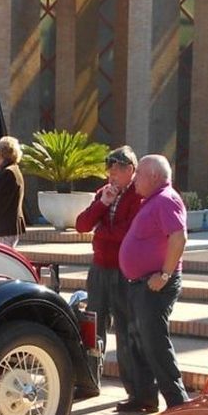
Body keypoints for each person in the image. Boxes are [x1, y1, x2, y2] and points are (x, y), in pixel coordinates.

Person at [116, 155, 188, 414]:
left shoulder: (167, 200)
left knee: (155, 342)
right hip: (140, 283)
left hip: (155, 284)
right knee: (138, 341)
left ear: (155, 176)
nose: (134, 179)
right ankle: (144, 397)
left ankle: (178, 402)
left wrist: (165, 275)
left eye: (139, 175)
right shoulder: (153, 201)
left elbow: (179, 237)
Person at [73, 145, 142, 354]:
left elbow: (128, 232)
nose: (111, 177)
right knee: (94, 324)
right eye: (109, 172)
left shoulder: (138, 194)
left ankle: (129, 371)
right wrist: (103, 203)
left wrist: (100, 231)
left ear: (130, 170)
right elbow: (82, 225)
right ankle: (93, 369)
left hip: (124, 270)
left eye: (116, 172)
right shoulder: (104, 193)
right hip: (100, 268)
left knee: (125, 326)